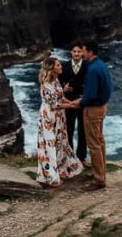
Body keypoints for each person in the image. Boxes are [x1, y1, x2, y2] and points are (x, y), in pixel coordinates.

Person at [35, 56, 85, 187]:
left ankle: (59, 170)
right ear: (52, 68)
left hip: (59, 117)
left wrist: (71, 102)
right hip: (49, 117)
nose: (61, 66)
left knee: (59, 143)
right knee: (49, 145)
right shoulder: (46, 84)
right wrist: (72, 106)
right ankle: (50, 177)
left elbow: (61, 97)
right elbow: (53, 105)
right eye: (58, 65)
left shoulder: (56, 80)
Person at [70, 41, 112, 190]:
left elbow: (91, 94)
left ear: (90, 52)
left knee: (93, 144)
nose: (81, 53)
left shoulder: (93, 69)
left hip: (93, 110)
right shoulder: (101, 65)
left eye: (83, 51)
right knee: (100, 140)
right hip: (102, 107)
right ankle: (101, 173)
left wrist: (79, 102)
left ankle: (99, 180)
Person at [60, 42, 88, 163]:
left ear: (82, 53)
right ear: (71, 52)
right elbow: (57, 82)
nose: (76, 54)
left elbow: (91, 84)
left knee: (83, 131)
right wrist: (63, 88)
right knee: (68, 130)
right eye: (74, 51)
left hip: (82, 103)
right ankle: (70, 157)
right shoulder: (64, 66)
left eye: (79, 51)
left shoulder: (88, 66)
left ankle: (81, 157)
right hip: (68, 102)